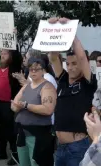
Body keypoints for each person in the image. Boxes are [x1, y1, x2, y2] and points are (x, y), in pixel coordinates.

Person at [48, 17, 97, 166]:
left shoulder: (88, 83)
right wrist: (54, 30)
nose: (70, 67)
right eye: (68, 64)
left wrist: (71, 32)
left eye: (74, 64)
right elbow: (53, 58)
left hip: (77, 148)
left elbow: (82, 57)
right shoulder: (63, 80)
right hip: (60, 147)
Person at [11, 57, 57, 166]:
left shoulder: (47, 87)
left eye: (36, 69)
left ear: (43, 70)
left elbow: (48, 109)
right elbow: (14, 105)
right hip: (22, 131)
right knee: (24, 162)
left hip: (37, 134)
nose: (33, 72)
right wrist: (18, 106)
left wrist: (26, 105)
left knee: (36, 162)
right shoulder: (27, 86)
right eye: (31, 69)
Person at [0, 49, 22, 165]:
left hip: (7, 104)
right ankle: (1, 151)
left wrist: (13, 38)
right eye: (1, 53)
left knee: (10, 131)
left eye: (6, 53)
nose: (2, 55)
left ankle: (15, 155)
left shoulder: (13, 69)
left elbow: (18, 57)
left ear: (11, 57)